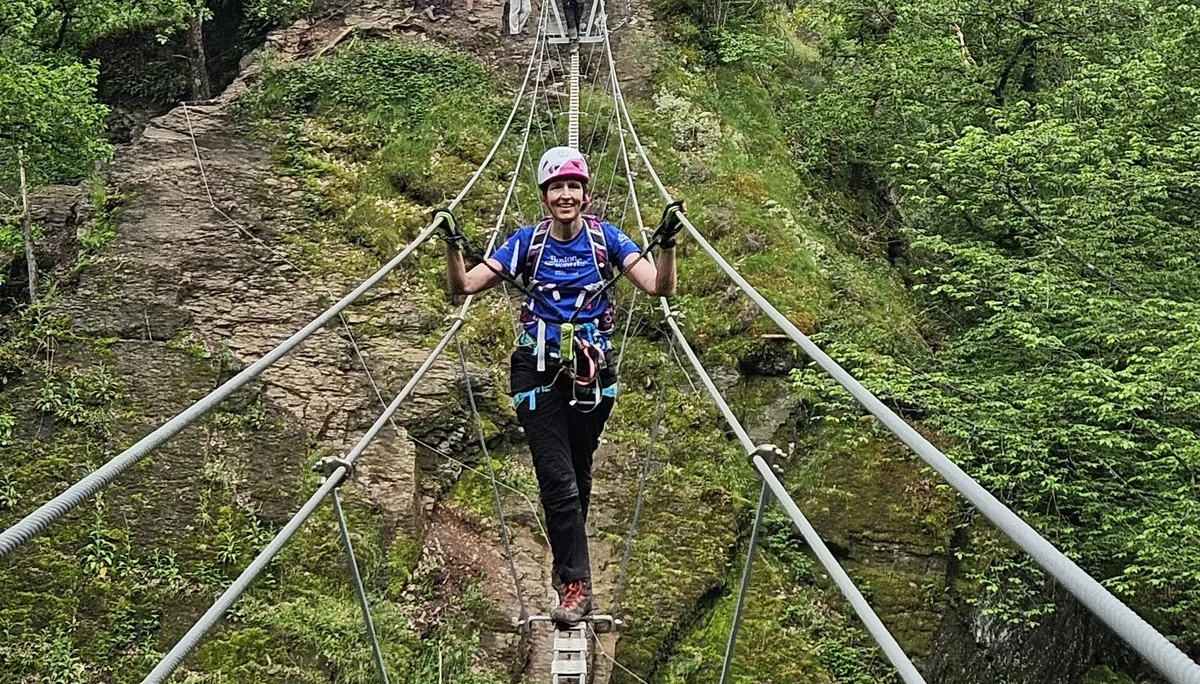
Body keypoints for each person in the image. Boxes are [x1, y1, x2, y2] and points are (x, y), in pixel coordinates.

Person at [442, 146, 680, 625]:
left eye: (573, 186)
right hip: (536, 369)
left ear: (585, 195)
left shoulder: (606, 239)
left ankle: (567, 565)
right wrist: (452, 245)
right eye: (557, 187)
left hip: (591, 371)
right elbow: (463, 286)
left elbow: (658, 287)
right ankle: (575, 585)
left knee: (577, 475)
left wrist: (668, 244)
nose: (566, 194)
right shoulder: (526, 243)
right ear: (545, 196)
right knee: (559, 478)